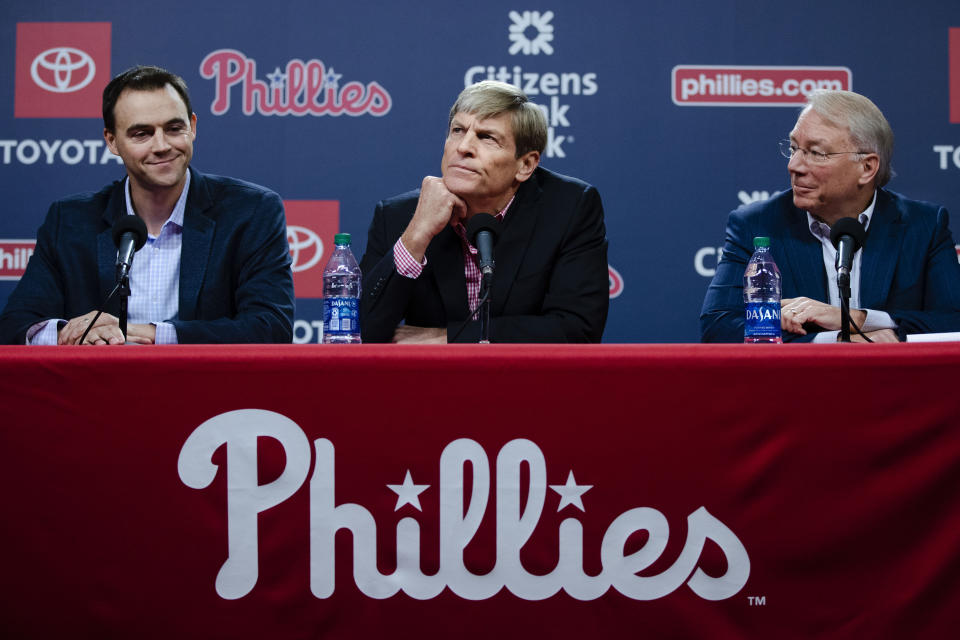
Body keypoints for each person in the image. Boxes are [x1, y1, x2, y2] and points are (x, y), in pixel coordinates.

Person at [0, 65, 294, 345]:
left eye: (174, 128)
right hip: (98, 391)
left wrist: (149, 334)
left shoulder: (251, 211)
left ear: (192, 126)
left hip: (207, 390)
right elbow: (16, 325)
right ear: (112, 141)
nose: (161, 145)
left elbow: (271, 326)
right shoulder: (70, 220)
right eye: (141, 133)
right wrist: (73, 333)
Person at [700, 89, 960, 343]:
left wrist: (854, 319)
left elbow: (953, 320)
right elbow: (719, 326)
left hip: (895, 384)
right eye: (794, 149)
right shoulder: (757, 224)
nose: (795, 166)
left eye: (816, 152)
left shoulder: (923, 226)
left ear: (867, 167)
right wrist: (834, 340)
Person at [359, 80, 609, 343]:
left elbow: (578, 328)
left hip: (527, 381)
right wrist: (417, 234)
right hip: (434, 383)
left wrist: (449, 339)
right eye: (458, 130)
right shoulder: (399, 215)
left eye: (486, 137)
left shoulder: (569, 207)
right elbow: (358, 331)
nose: (463, 147)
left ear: (525, 164)